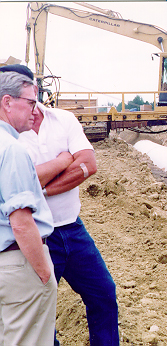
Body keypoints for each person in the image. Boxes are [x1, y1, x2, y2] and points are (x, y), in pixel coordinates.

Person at [17, 76, 119, 345]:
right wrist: (64, 161)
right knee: (39, 311)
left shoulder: (63, 119)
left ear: (36, 91)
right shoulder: (9, 134)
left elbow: (88, 164)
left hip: (73, 229)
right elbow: (20, 182)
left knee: (104, 293)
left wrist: (41, 189)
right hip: (36, 236)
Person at [0, 71, 57, 345]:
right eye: (31, 103)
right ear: (7, 102)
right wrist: (43, 274)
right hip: (18, 265)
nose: (36, 111)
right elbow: (21, 222)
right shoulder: (12, 150)